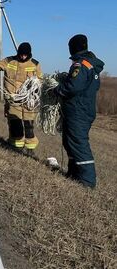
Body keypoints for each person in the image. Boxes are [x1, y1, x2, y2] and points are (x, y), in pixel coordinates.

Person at [55, 34, 104, 188]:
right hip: (83, 109)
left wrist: (58, 90)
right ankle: (74, 173)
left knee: (78, 143)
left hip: (78, 111)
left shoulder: (81, 64)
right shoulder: (91, 65)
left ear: (73, 48)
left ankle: (87, 182)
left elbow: (73, 87)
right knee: (70, 142)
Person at [0, 42, 43, 154]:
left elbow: (40, 80)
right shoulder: (9, 61)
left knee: (29, 125)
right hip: (13, 100)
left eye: (25, 55)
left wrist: (36, 86)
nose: (23, 57)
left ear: (29, 54)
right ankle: (16, 147)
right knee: (15, 124)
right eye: (21, 54)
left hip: (28, 101)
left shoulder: (35, 64)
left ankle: (30, 149)